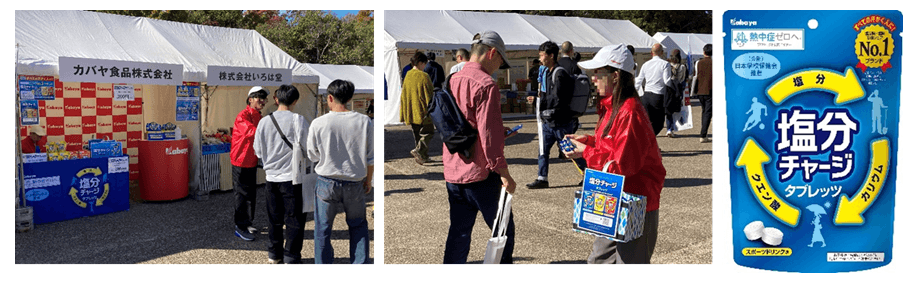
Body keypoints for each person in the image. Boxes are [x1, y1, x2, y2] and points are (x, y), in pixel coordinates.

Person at [566, 44, 666, 264]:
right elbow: (612, 146)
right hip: (613, 196)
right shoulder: (612, 107)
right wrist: (588, 141)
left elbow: (622, 165)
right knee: (599, 260)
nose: (593, 79)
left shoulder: (629, 111)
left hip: (636, 201)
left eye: (597, 73)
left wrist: (586, 151)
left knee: (630, 263)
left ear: (615, 76)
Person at [443, 30, 517, 264]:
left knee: (458, 233)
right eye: (500, 61)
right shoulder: (486, 84)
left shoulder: (451, 80)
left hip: (454, 170)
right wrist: (504, 173)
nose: (499, 67)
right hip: (481, 174)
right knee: (503, 230)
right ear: (492, 53)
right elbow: (488, 137)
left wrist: (497, 131)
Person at [307, 80, 374, 264]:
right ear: (350, 98)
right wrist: (368, 180)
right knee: (358, 226)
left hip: (326, 181)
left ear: (330, 98)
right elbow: (371, 157)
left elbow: (312, 155)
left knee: (322, 229)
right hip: (354, 181)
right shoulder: (364, 121)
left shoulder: (318, 123)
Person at [253, 85, 312, 264]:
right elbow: (309, 148)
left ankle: (274, 254)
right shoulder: (298, 120)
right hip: (293, 178)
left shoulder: (264, 121)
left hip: (271, 178)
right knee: (294, 219)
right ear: (295, 101)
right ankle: (291, 256)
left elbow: (258, 151)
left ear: (276, 99)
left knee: (274, 219)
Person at [527, 41, 586, 189]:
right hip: (549, 120)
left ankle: (588, 174)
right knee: (543, 150)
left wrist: (540, 101)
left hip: (561, 122)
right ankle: (542, 178)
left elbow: (559, 98)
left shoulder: (560, 73)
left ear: (551, 56)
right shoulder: (548, 72)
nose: (540, 58)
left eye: (542, 55)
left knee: (569, 149)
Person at [230, 86, 269, 241]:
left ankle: (247, 222)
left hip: (251, 160)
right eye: (259, 97)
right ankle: (240, 226)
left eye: (264, 98)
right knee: (241, 194)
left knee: (251, 194)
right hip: (240, 160)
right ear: (250, 99)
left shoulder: (259, 116)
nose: (262, 101)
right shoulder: (243, 116)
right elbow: (252, 132)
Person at [400, 51, 435, 165]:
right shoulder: (424, 76)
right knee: (428, 132)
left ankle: (422, 156)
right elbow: (430, 94)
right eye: (424, 64)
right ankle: (419, 151)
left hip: (411, 110)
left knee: (417, 135)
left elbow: (404, 94)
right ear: (420, 63)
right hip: (422, 110)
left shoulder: (408, 75)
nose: (425, 66)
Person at [692, 44, 713, 143]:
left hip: (700, 90)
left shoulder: (698, 62)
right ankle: (703, 135)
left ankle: (704, 133)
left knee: (704, 111)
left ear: (704, 52)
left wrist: (693, 90)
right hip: (710, 90)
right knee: (708, 113)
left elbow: (695, 76)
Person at [666, 49, 688, 138]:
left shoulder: (667, 65)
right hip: (678, 90)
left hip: (669, 89)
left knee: (669, 110)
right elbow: (682, 79)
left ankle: (669, 129)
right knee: (677, 109)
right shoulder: (682, 66)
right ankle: (674, 127)